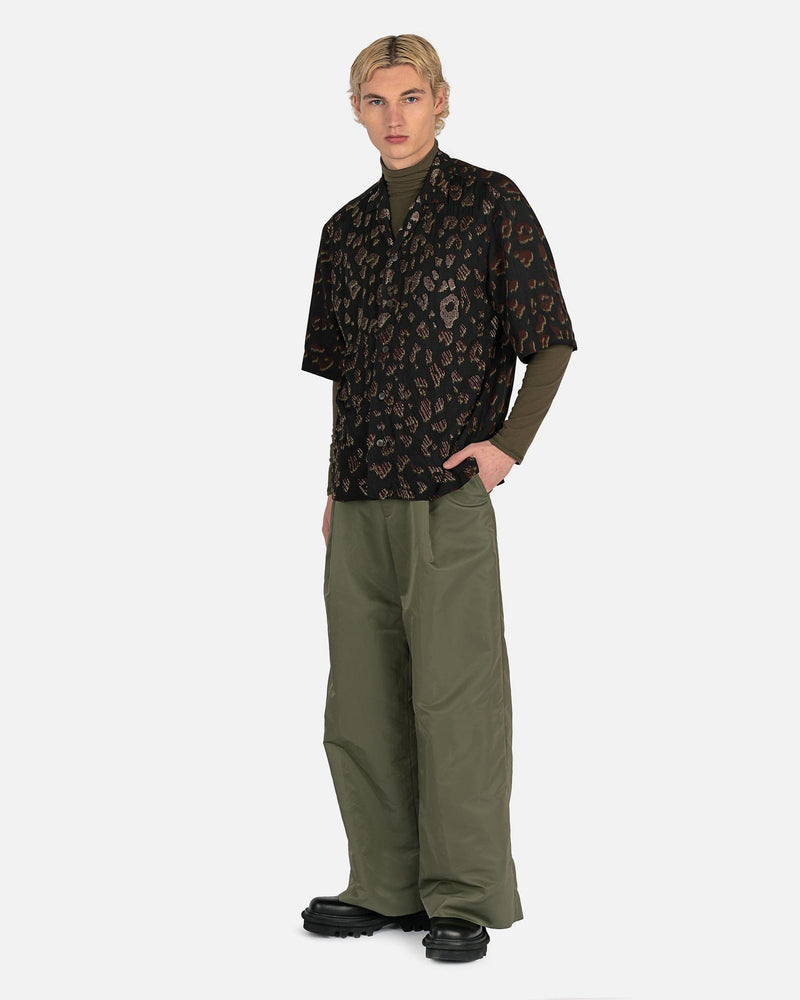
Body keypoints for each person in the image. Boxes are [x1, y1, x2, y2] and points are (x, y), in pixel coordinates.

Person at [299, 34, 577, 963]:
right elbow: (345, 375)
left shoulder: (491, 204)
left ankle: (460, 894)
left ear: (442, 101)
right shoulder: (343, 232)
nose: (395, 117)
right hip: (359, 499)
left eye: (411, 97)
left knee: (455, 702)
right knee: (362, 703)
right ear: (356, 109)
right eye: (376, 101)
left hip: (445, 496)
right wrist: (333, 484)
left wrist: (506, 449)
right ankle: (383, 883)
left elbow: (550, 341)